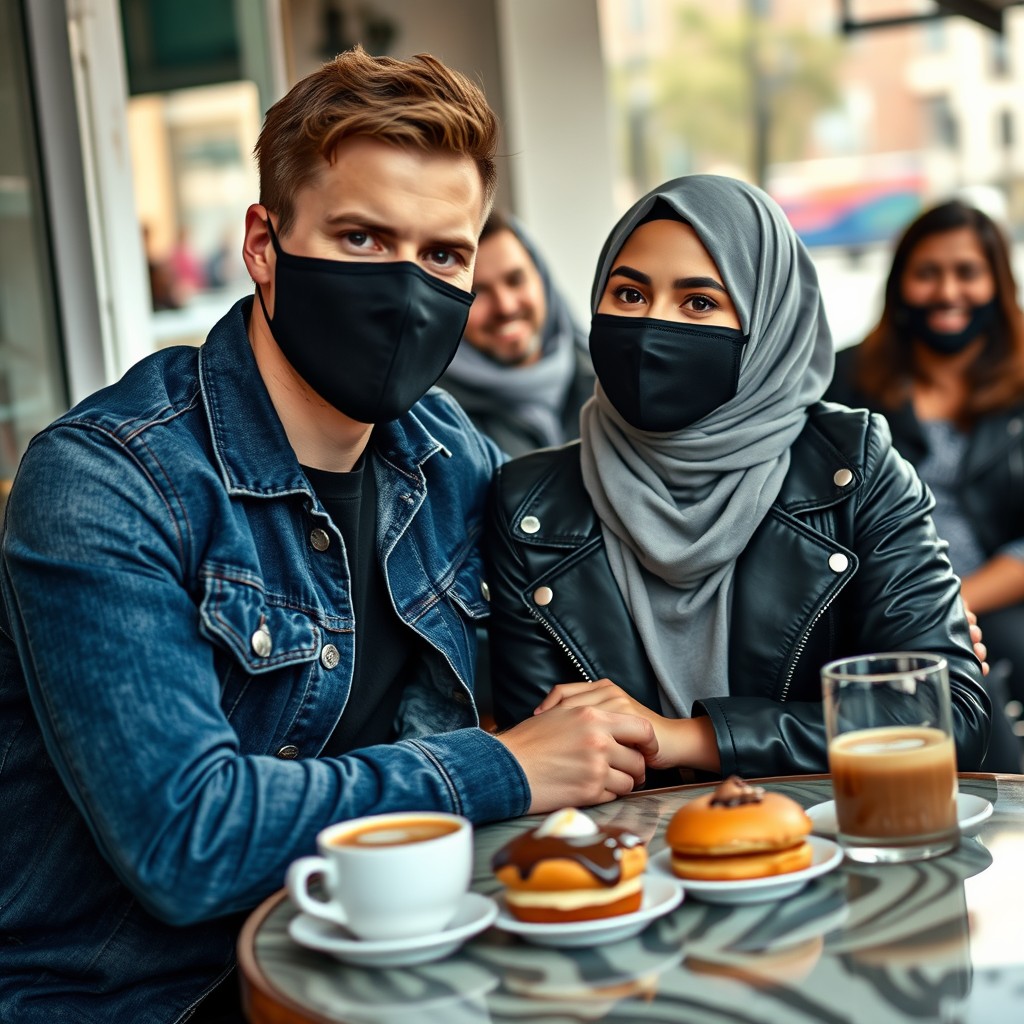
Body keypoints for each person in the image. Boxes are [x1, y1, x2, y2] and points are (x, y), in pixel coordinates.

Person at [0, 47, 656, 1023]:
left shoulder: (449, 458)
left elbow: (564, 691)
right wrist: (505, 766)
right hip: (157, 998)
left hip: (399, 965)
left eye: (442, 255)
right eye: (359, 239)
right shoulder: (107, 482)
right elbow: (190, 840)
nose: (404, 290)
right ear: (264, 245)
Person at [484, 174, 991, 783]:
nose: (651, 326)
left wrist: (690, 738)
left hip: (837, 842)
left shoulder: (854, 465)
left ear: (765, 325)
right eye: (628, 294)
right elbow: (547, 758)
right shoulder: (528, 505)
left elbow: (944, 715)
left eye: (699, 302)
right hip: (629, 865)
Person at [826, 199, 1024, 772]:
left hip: (994, 590)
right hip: (880, 590)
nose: (947, 292)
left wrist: (953, 602)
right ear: (900, 284)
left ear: (996, 282)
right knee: (959, 689)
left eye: (967, 272)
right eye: (928, 272)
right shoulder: (844, 380)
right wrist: (924, 609)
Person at [438, 210, 594, 457]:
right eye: (477, 291)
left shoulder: (613, 384)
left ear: (542, 279)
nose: (506, 307)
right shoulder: (435, 427)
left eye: (516, 280)